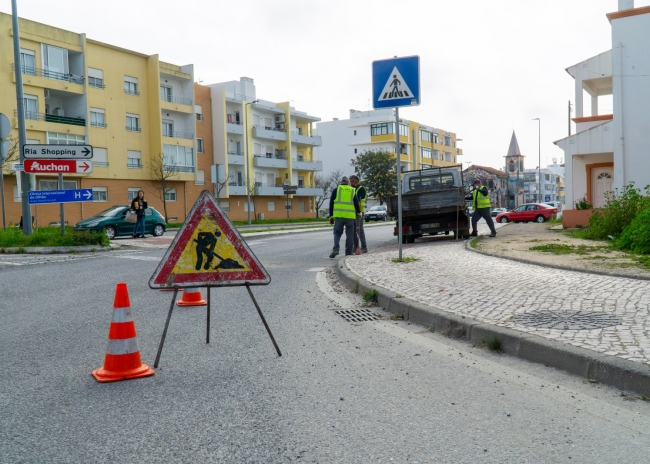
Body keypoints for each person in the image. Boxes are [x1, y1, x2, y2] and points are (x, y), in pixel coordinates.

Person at [328, 176, 361, 258]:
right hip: (350, 217)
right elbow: (356, 203)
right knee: (350, 235)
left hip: (339, 216)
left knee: (337, 233)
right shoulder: (352, 190)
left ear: (341, 182)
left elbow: (331, 203)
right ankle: (348, 252)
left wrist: (331, 215)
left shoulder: (336, 190)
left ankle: (336, 249)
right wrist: (359, 212)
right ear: (347, 182)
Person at [349, 175, 368, 253]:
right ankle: (356, 246)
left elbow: (357, 198)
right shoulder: (352, 189)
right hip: (352, 212)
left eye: (352, 181)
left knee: (359, 230)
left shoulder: (361, 189)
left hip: (359, 212)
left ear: (356, 181)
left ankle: (364, 246)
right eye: (350, 181)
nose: (351, 183)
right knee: (353, 230)